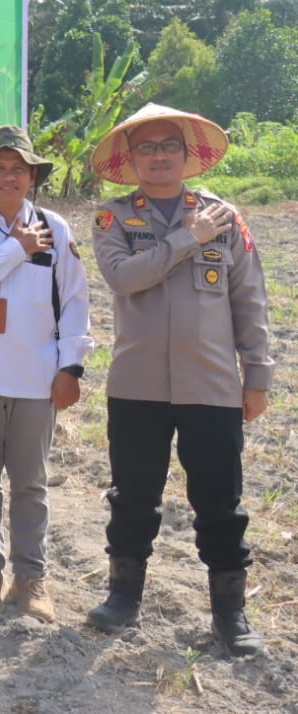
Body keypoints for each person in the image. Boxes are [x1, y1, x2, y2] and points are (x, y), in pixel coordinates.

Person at [85, 104, 272, 656]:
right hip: (136, 386)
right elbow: (123, 278)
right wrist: (185, 238)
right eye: (148, 147)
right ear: (132, 159)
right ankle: (123, 596)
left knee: (220, 500)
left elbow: (249, 298)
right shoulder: (113, 218)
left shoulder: (225, 216)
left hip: (211, 386)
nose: (160, 155)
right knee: (133, 495)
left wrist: (257, 374)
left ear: (187, 156)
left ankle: (231, 613)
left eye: (170, 146)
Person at [0, 126, 92, 623]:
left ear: (32, 178)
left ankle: (32, 578)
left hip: (35, 378)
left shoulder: (56, 228)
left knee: (31, 484)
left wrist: (71, 366)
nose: (9, 177)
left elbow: (74, 301)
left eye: (19, 169)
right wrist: (16, 248)